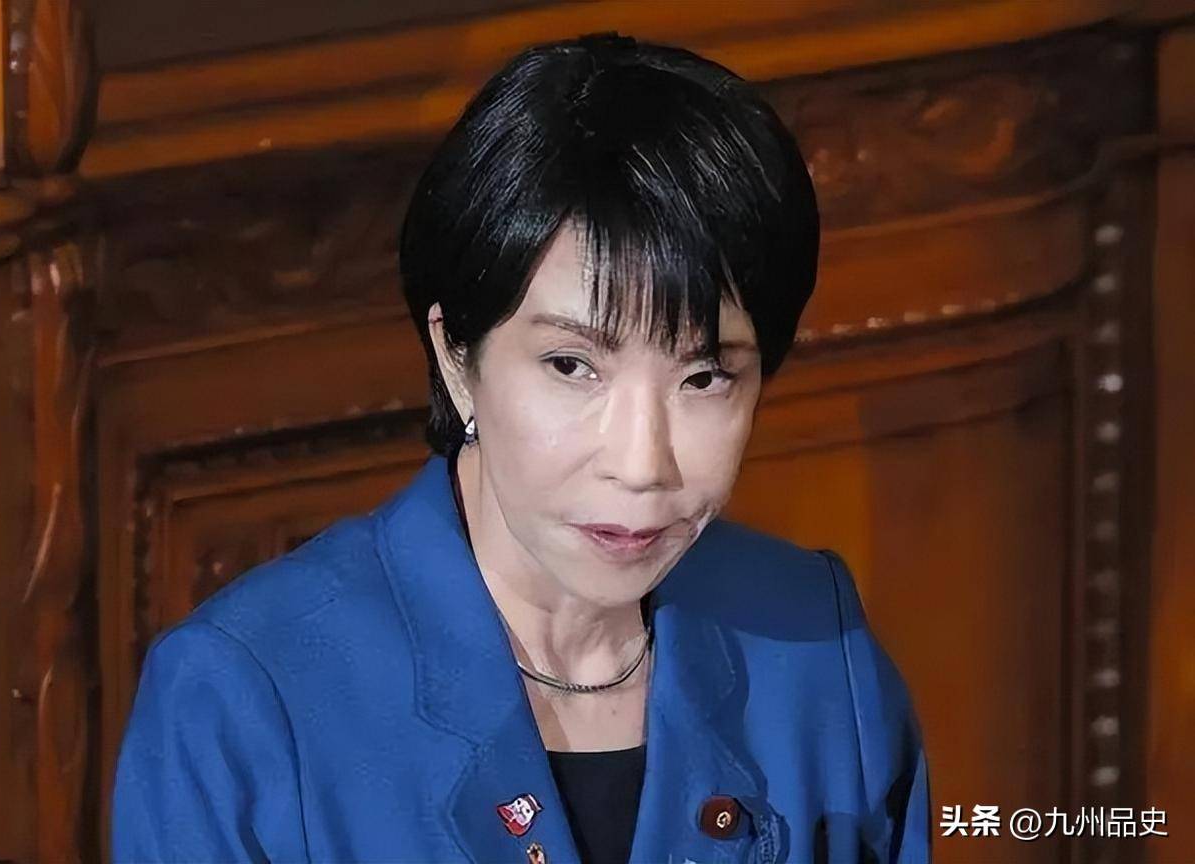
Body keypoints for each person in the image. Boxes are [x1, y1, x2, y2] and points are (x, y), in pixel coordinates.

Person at [111, 30, 930, 864]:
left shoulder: (812, 644)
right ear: (455, 359)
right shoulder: (243, 700)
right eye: (573, 366)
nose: (642, 464)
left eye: (705, 377)